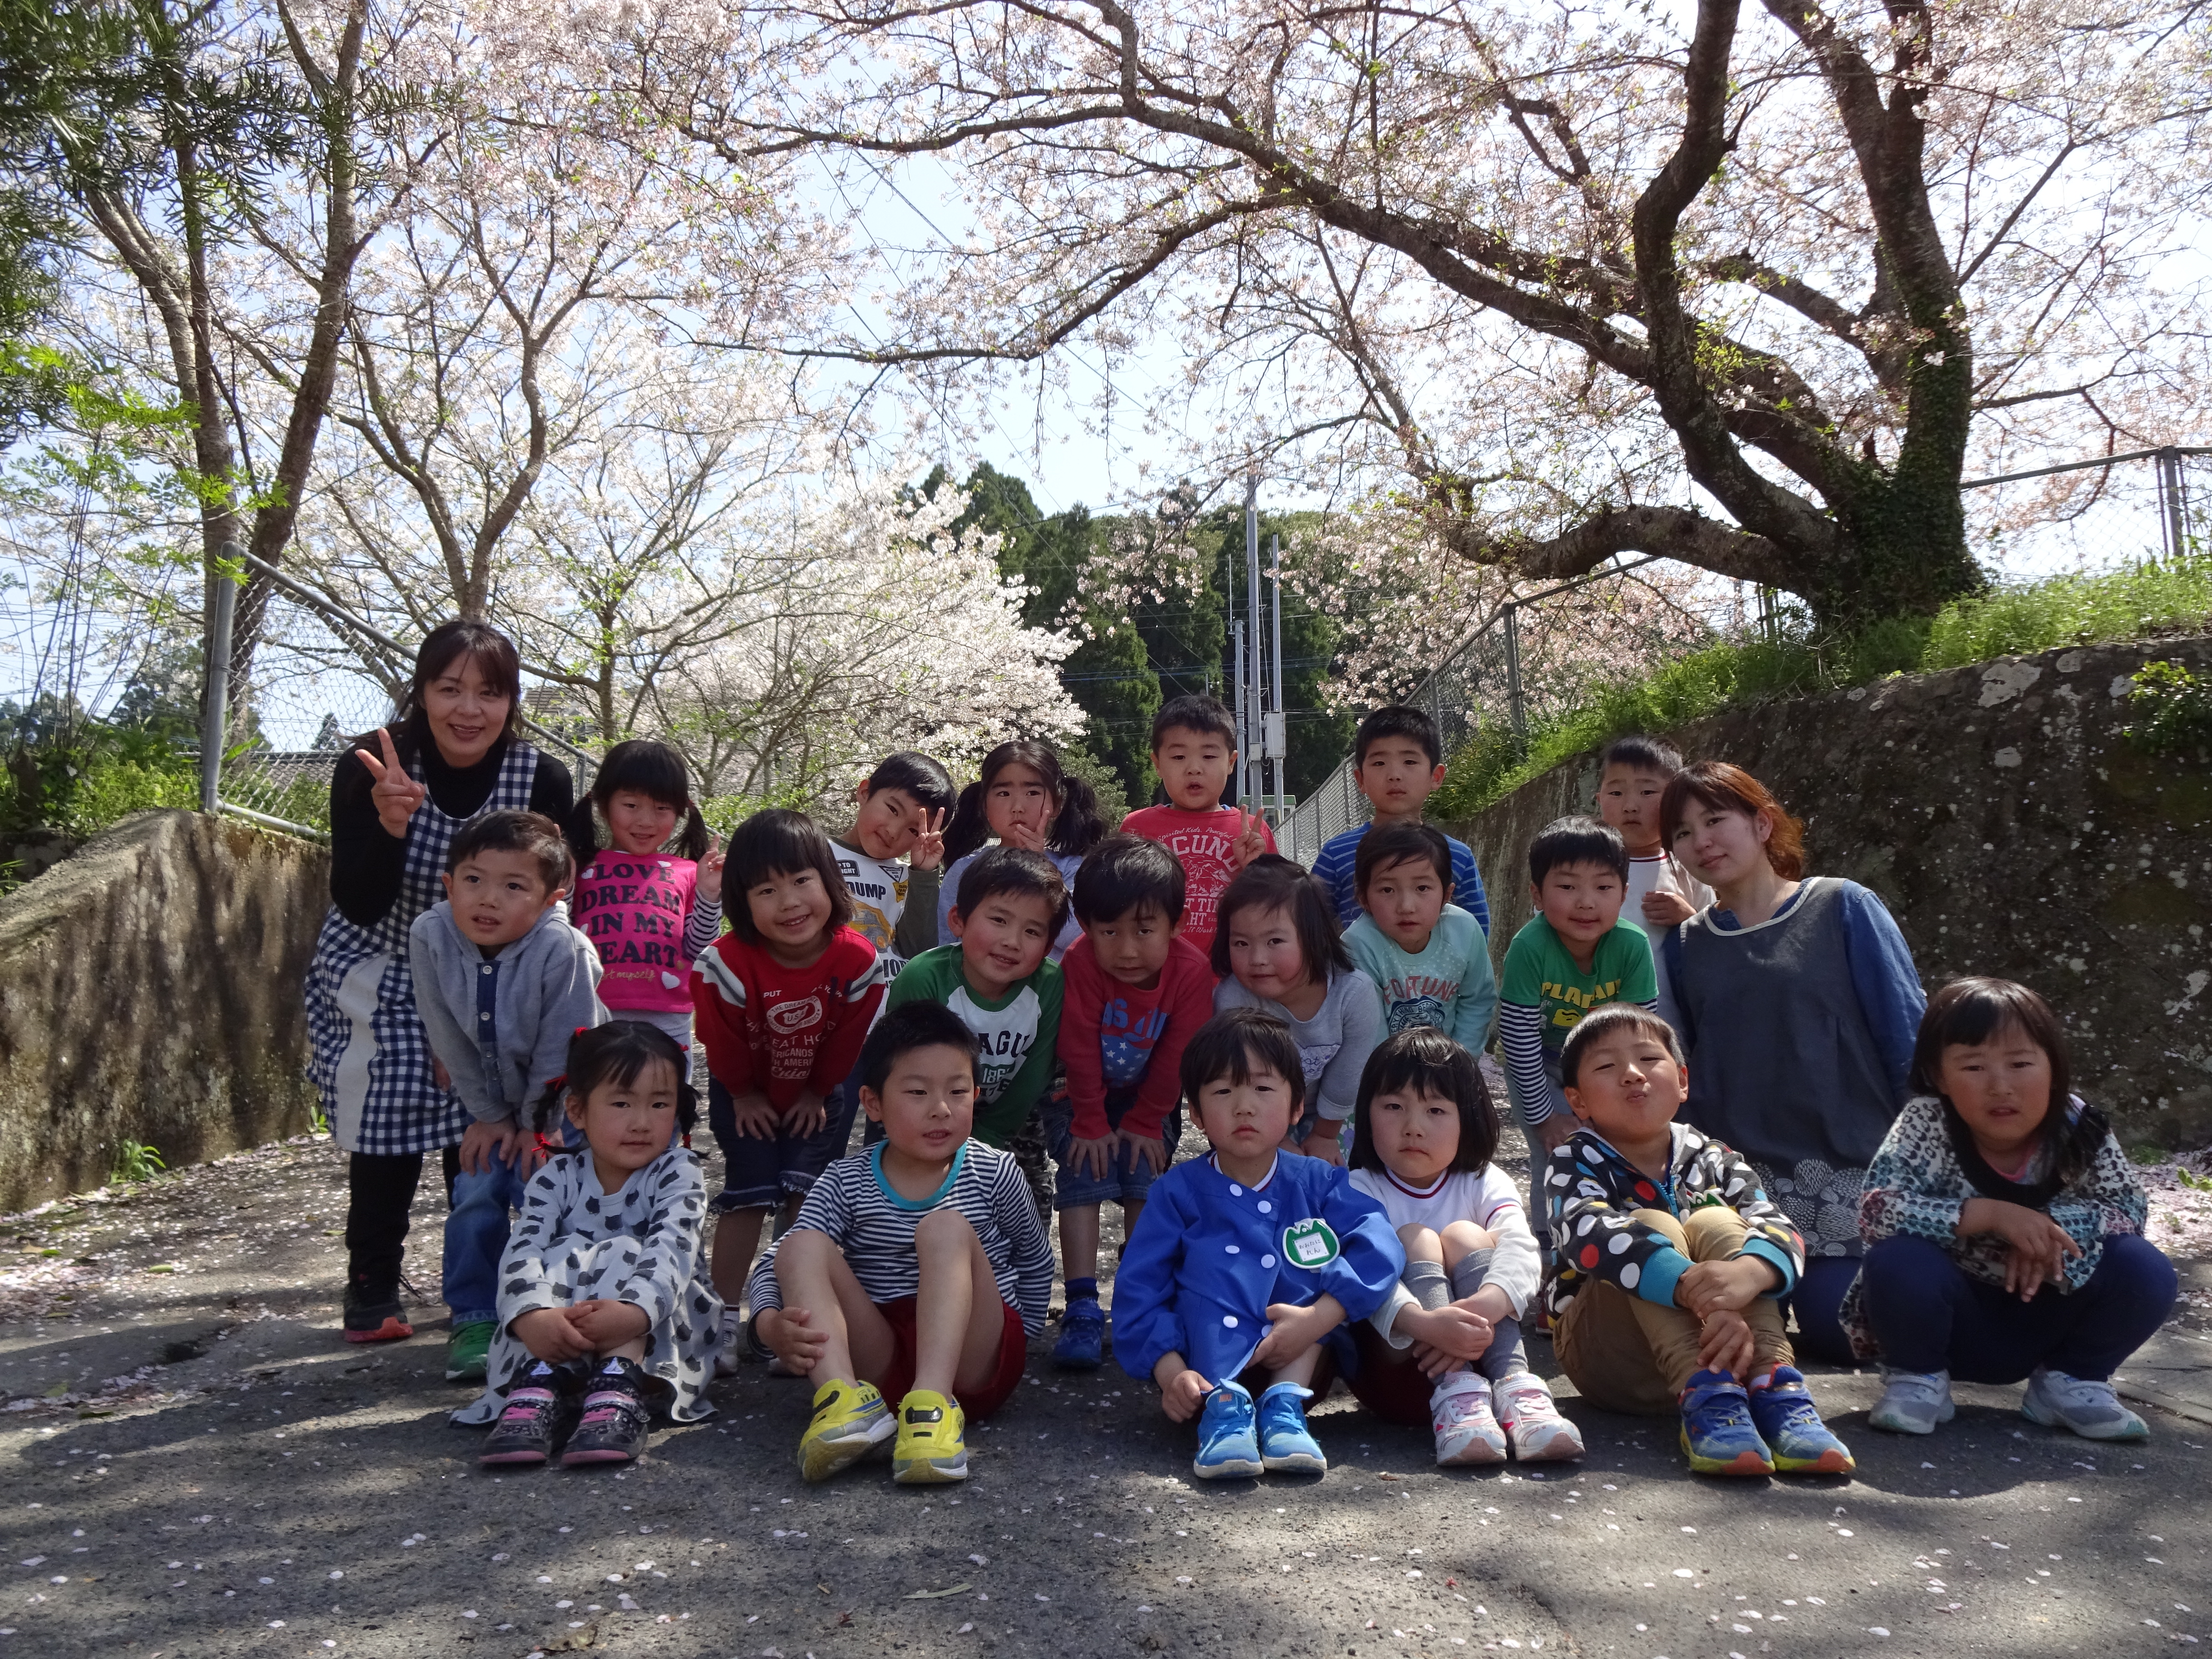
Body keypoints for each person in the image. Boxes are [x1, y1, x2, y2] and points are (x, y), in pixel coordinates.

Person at [305, 620, 574, 1346]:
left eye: (490, 693)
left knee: (478, 1120)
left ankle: (477, 1295)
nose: (469, 710)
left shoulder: (542, 778)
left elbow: (555, 894)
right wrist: (390, 824)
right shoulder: (371, 767)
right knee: (388, 1110)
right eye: (450, 689)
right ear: (422, 692)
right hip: (385, 958)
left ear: (511, 702)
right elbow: (358, 900)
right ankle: (372, 1282)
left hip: (495, 969)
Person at [1661, 761, 1925, 1363]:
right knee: (1723, 1332)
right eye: (1682, 832)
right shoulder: (1684, 946)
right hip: (1738, 1189)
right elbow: (1683, 1067)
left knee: (1843, 1332)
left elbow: (1906, 1035)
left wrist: (1925, 1164)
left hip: (1848, 1169)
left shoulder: (1843, 907)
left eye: (1715, 820)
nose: (1701, 841)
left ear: (1762, 823)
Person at [1847, 978, 2176, 1441]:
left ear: (2054, 1068)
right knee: (1897, 1259)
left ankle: (2072, 1381)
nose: (2000, 1087)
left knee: (2145, 1269)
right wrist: (1994, 1216)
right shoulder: (1926, 1123)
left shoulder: (2079, 1128)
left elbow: (2128, 1209)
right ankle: (1918, 1380)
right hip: (1950, 1318)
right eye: (1974, 1067)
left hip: (2050, 1312)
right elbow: (1879, 1211)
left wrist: (2047, 1230)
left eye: (2020, 1064)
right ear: (1939, 1077)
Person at [749, 1003, 1054, 1485]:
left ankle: (933, 1407)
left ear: (976, 1095)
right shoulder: (845, 1180)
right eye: (917, 1092)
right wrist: (767, 1326)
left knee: (944, 1228)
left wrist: (1023, 1336)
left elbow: (1034, 1257)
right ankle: (844, 1403)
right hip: (885, 1360)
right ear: (873, 1104)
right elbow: (776, 1263)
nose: (941, 1109)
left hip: (973, 1362)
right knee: (802, 1244)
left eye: (958, 1092)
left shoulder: (995, 1171)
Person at [1547, 1003, 1856, 1478]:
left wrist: (1746, 1276)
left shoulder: (1716, 1157)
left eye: (1649, 1059)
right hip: (1614, 1361)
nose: (1632, 1074)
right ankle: (1706, 1397)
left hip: (1736, 1348)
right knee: (1651, 1224)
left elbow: (1781, 1229)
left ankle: (1776, 1389)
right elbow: (1585, 1232)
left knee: (1720, 1224)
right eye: (1607, 1067)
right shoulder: (1574, 1159)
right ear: (1578, 1101)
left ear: (1683, 1081)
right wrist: (1696, 1288)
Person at [1114, 1008, 1406, 1479]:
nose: (1244, 1107)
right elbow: (1139, 1290)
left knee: (1316, 1275)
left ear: (1296, 1108)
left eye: (1263, 1089)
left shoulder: (1319, 1182)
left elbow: (1379, 1244)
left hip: (1303, 1360)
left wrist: (1320, 1318)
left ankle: (1284, 1412)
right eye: (1223, 1091)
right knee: (1206, 1279)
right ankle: (1223, 1414)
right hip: (1202, 1369)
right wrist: (1170, 1373)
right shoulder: (1176, 1192)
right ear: (1195, 1113)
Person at [456, 1022, 719, 1467]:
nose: (641, 1122)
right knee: (558, 1255)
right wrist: (532, 1316)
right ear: (577, 1111)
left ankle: (618, 1386)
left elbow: (671, 1252)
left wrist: (632, 1314)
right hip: (560, 1337)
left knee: (624, 1249)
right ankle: (540, 1383)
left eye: (659, 1104)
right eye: (621, 1103)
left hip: (657, 1333)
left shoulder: (679, 1171)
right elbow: (522, 1250)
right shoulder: (555, 1178)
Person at [409, 810, 608, 1383]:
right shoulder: (431, 935)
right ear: (449, 884)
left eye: (514, 886)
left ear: (550, 900)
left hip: (566, 1104)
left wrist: (537, 1126)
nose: (488, 899)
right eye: (474, 880)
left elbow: (564, 1046)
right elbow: (446, 1034)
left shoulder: (564, 949)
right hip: (490, 1107)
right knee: (476, 1190)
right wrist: (492, 1117)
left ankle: (555, 1309)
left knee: (549, 1195)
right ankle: (474, 1317)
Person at [691, 809, 886, 1363]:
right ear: (743, 901)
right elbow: (720, 1040)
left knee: (808, 1200)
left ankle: (800, 1319)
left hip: (817, 1095)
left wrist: (817, 1092)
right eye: (767, 890)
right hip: (744, 1094)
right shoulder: (724, 964)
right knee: (747, 1195)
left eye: (802, 881)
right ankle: (722, 1321)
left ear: (830, 880)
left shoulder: (858, 961)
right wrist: (744, 1094)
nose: (790, 902)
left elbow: (847, 1043)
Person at [1343, 1028, 1580, 1465]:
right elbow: (1360, 1274)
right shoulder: (1359, 1188)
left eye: (1435, 1110)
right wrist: (1425, 1323)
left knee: (1465, 1235)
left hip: (1485, 1356)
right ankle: (1457, 1395)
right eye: (1394, 1107)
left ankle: (1517, 1390)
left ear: (1467, 1118)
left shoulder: (1483, 1180)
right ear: (1366, 1113)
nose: (1413, 1127)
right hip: (1400, 1373)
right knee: (1415, 1238)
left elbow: (1521, 1246)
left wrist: (1486, 1305)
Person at [1047, 834, 1216, 1369]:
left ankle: (1138, 1298)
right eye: (1109, 931)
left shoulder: (1191, 973)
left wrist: (1145, 1120)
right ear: (1085, 925)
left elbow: (1177, 1055)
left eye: (1144, 931)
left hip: (1151, 1097)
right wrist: (1091, 1121)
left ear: (1176, 924)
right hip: (1079, 1092)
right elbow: (1077, 1045)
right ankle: (1081, 1303)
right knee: (1084, 1170)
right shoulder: (1081, 962)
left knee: (1145, 1174)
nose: (1126, 950)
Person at [1496, 816, 1658, 1262]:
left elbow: (1640, 1033)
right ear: (1537, 894)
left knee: (1617, 1148)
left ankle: (1618, 1241)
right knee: (1554, 1155)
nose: (1586, 902)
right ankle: (1552, 1254)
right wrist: (1546, 1118)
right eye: (1567, 887)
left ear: (1624, 894)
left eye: (1604, 887)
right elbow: (1519, 1039)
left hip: (1606, 1064)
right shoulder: (1530, 947)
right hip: (1540, 1062)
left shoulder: (1632, 945)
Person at [889, 846, 1068, 1214]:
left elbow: (1035, 1073)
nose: (1012, 941)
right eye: (999, 920)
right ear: (958, 920)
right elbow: (903, 1073)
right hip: (925, 1109)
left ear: (1048, 946)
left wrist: (987, 1138)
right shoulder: (924, 979)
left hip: (1010, 1116)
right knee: (906, 1210)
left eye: (1032, 931)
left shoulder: (1050, 984)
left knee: (1028, 1208)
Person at [1212, 856, 1387, 1166]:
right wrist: (1278, 1142)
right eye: (1241, 943)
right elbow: (1240, 1079)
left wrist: (1324, 1135)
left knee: (1325, 1173)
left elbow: (1347, 1078)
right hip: (1252, 1108)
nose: (1257, 958)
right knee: (1257, 1169)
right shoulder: (1233, 998)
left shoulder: (1353, 994)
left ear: (1312, 938)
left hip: (1329, 1114)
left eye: (1275, 941)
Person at [564, 740, 726, 1068]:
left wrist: (710, 897)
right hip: (591, 1011)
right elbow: (561, 935)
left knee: (666, 1097)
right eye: (631, 805)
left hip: (670, 1019)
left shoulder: (689, 872)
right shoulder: (580, 865)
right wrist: (564, 884)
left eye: (662, 808)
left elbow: (699, 950)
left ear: (681, 811)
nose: (646, 821)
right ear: (603, 804)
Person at [1119, 694, 1275, 960]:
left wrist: (1255, 868)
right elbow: (1118, 902)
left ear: (1231, 763)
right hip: (1156, 970)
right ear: (1157, 764)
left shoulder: (1250, 831)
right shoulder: (1137, 827)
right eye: (1179, 756)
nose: (1194, 768)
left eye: (1209, 756)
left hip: (1231, 971)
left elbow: (1277, 905)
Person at [1309, 706, 1490, 933]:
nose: (1394, 775)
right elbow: (1309, 924)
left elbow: (1477, 931)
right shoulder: (1336, 853)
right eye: (1379, 763)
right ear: (1360, 780)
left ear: (1436, 777)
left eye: (1410, 762)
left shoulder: (1458, 855)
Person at [938, 739, 1106, 964]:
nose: (1018, 807)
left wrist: (1041, 866)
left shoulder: (1073, 868)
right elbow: (946, 945)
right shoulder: (964, 869)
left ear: (1056, 804)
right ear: (984, 805)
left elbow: (1076, 938)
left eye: (1033, 793)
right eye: (1004, 794)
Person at [1593, 734, 1711, 1037]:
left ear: (1674, 801)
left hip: (1669, 1028)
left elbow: (1717, 939)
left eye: (1647, 792)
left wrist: (1688, 919)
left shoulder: (1688, 866)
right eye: (1616, 792)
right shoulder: (1581, 866)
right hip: (1592, 1021)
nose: (1630, 806)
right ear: (1599, 799)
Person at [1343, 822, 1497, 1052]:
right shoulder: (1358, 944)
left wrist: (1462, 1060)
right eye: (1387, 890)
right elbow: (1368, 1027)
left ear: (1447, 894)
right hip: (1383, 1065)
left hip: (1451, 1059)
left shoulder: (1464, 931)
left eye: (1422, 888)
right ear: (1363, 898)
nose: (1407, 907)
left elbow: (1477, 1002)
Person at [831, 751, 958, 982]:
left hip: (890, 997)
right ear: (865, 792)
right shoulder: (814, 854)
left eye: (914, 830)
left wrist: (924, 874)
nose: (893, 832)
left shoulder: (908, 878)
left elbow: (918, 951)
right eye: (893, 809)